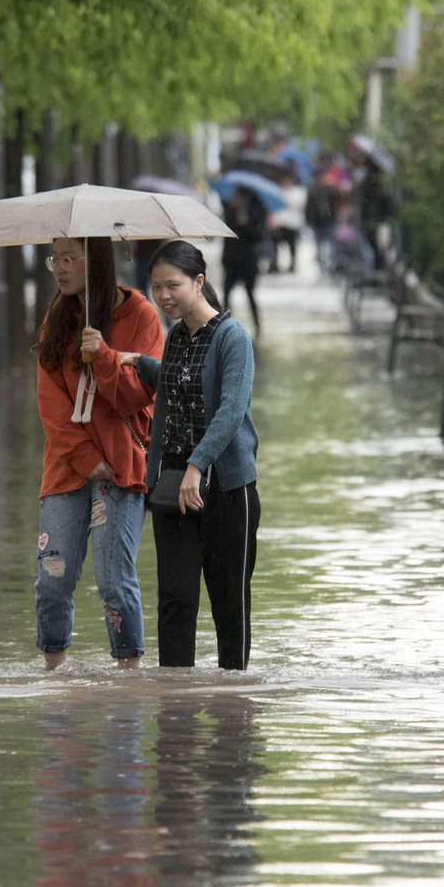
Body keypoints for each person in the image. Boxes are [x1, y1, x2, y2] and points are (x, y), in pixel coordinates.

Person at [117, 241, 260, 671]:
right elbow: (180, 384)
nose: (163, 296)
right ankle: (175, 717)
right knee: (175, 603)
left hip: (227, 489)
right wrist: (139, 361)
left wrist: (198, 465)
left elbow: (230, 410)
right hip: (173, 486)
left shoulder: (233, 339)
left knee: (228, 604)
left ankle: (233, 714)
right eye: (156, 286)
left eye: (172, 285)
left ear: (198, 282)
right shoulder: (177, 337)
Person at [34, 236, 164, 670]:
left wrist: (105, 358)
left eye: (71, 259)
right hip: (67, 468)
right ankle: (55, 676)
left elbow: (142, 396)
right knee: (52, 579)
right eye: (56, 259)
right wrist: (87, 459)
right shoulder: (57, 318)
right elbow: (51, 407)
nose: (60, 268)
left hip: (122, 470)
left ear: (98, 262)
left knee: (113, 581)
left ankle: (128, 677)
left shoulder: (141, 315)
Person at [220, 186, 265, 335]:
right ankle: (226, 327)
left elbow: (258, 236)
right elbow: (225, 237)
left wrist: (246, 222)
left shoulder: (254, 212)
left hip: (248, 262)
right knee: (226, 295)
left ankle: (258, 326)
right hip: (231, 261)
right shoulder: (229, 212)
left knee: (250, 294)